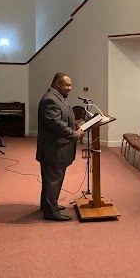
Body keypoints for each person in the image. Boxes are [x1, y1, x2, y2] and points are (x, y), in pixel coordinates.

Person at [36, 73, 84, 221]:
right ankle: (51, 212)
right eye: (67, 85)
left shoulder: (57, 97)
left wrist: (74, 124)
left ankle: (48, 205)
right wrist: (75, 134)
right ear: (57, 84)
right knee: (54, 179)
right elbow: (56, 124)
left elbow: (63, 117)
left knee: (51, 179)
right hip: (54, 149)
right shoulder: (50, 99)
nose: (70, 88)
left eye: (70, 85)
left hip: (57, 147)